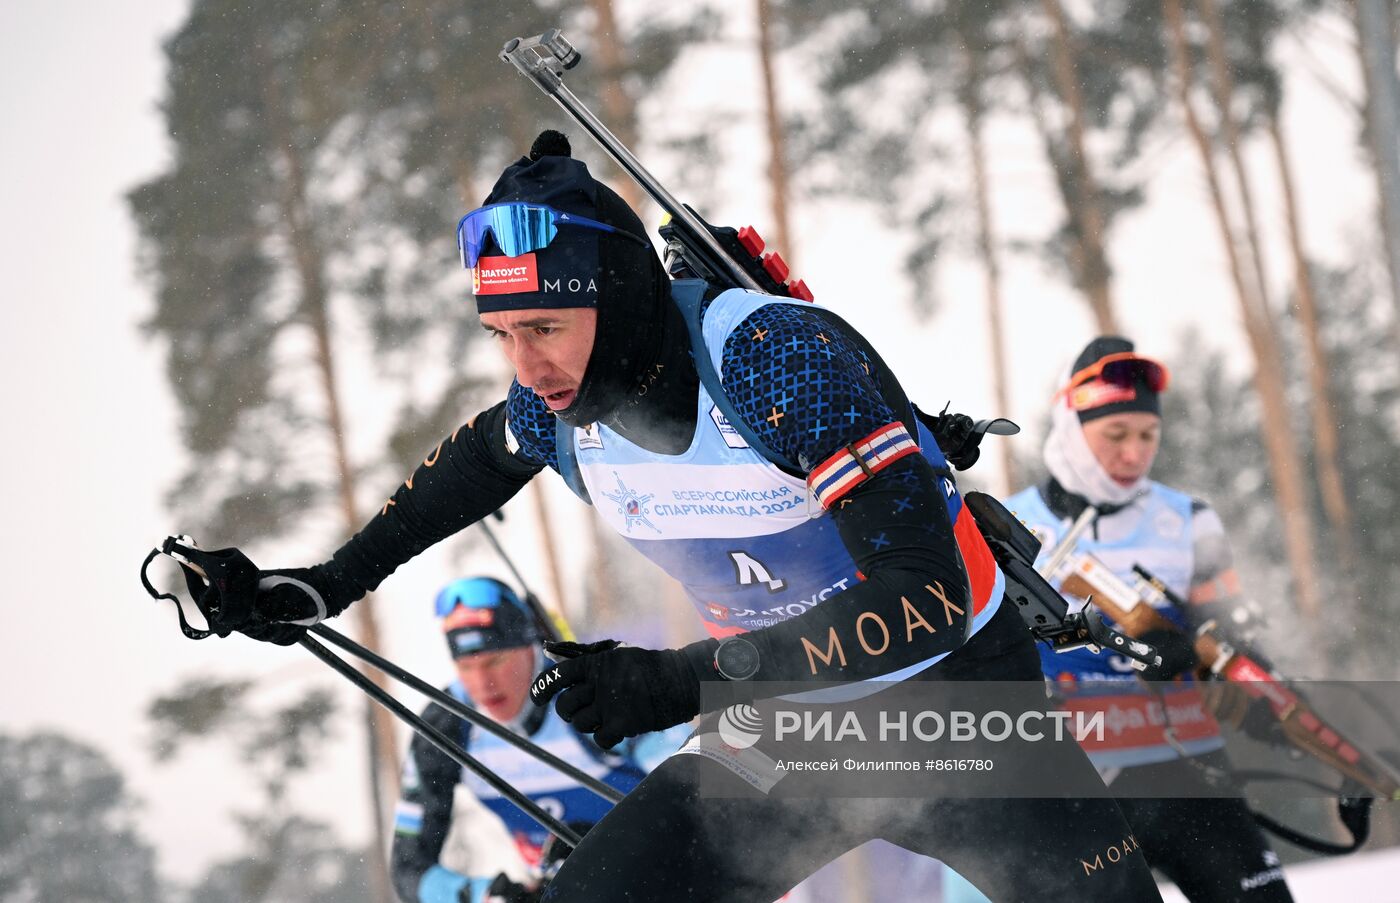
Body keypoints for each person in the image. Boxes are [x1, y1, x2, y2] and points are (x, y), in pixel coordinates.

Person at [213, 131, 1163, 901]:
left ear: (616, 298)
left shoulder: (767, 360)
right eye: (502, 336)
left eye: (545, 327)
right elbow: (463, 472)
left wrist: (680, 682)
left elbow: (926, 598)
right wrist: (325, 584)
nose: (528, 368)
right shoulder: (559, 413)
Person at [945, 336, 1291, 902]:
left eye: (1148, 435)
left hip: (1188, 774)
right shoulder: (1006, 521)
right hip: (1075, 780)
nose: (1134, 453)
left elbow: (1236, 639)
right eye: (1115, 435)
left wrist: (1213, 655)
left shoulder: (1188, 521)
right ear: (1072, 427)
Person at [392, 576, 684, 903]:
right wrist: (486, 896)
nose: (482, 682)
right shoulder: (446, 726)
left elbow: (714, 796)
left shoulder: (592, 691)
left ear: (531, 646)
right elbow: (408, 866)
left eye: (495, 660)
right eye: (465, 666)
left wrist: (617, 848)